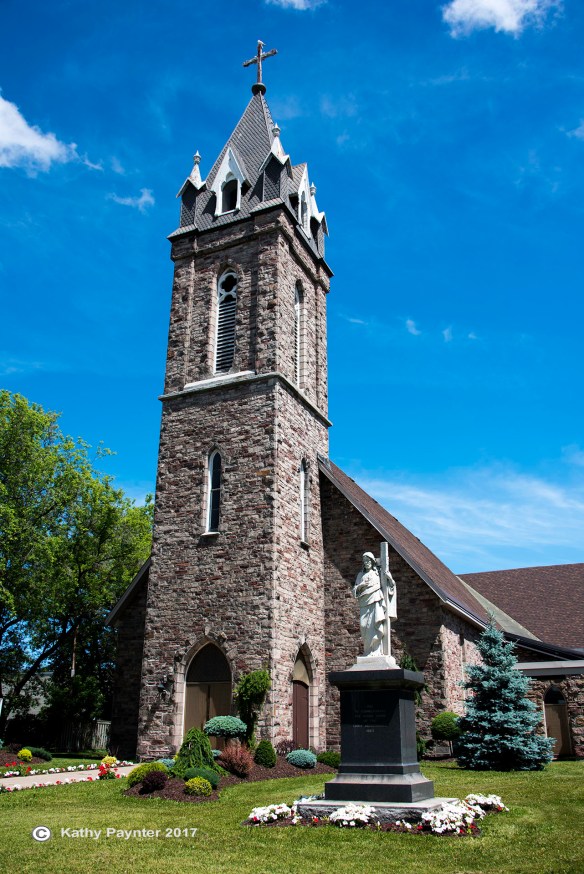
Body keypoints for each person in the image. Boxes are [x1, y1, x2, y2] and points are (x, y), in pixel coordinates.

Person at [353, 552, 387, 657]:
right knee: (364, 626)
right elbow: (354, 589)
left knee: (374, 624)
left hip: (375, 600)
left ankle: (376, 650)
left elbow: (387, 584)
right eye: (365, 561)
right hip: (364, 602)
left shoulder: (377, 573)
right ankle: (367, 650)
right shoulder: (360, 575)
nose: (366, 563)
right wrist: (361, 586)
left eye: (368, 560)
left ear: (372, 562)